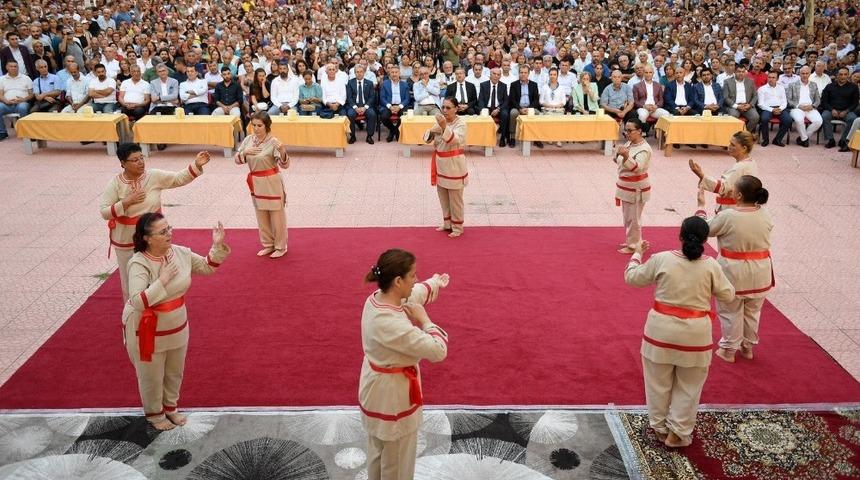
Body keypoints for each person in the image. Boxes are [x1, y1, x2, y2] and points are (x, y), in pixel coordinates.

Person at [624, 217, 735, 448]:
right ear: (705, 240)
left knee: (657, 383)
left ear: (680, 236)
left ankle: (659, 427)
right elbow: (728, 295)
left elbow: (632, 278)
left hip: (659, 334)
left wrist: (636, 254)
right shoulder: (711, 265)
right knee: (689, 387)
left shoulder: (662, 259)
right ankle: (678, 432)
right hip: (696, 336)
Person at [123, 212, 229, 431]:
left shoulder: (180, 253)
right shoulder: (138, 263)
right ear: (147, 238)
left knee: (174, 370)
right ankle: (155, 414)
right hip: (147, 329)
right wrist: (162, 280)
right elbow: (137, 301)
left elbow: (207, 266)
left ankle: (170, 407)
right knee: (151, 375)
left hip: (177, 324)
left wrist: (217, 246)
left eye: (169, 228)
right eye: (163, 232)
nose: (169, 234)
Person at [359, 248, 449, 480]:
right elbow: (438, 350)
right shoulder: (391, 324)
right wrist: (425, 321)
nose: (416, 279)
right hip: (394, 399)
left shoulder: (376, 299)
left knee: (378, 454)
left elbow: (414, 294)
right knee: (398, 464)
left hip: (375, 390)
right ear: (398, 281)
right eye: (413, 275)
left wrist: (434, 283)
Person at [99, 144, 210, 301]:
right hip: (126, 239)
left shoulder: (153, 176)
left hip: (155, 238)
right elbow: (104, 211)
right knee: (131, 280)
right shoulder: (116, 184)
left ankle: (159, 311)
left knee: (159, 273)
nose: (140, 162)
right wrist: (126, 203)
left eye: (141, 158)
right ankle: (133, 315)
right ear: (123, 163)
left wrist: (196, 165)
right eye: (135, 160)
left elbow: (178, 178)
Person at [695, 175, 773, 363]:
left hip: (734, 271)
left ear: (738, 195)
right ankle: (747, 348)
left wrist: (700, 208)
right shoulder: (765, 213)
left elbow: (704, 230)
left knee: (730, 311)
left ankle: (729, 350)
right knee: (753, 312)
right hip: (761, 271)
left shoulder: (728, 216)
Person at [235, 112, 290, 258]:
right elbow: (238, 160)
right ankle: (268, 244)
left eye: (260, 125)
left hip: (271, 181)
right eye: (254, 125)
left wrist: (283, 151)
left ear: (267, 126)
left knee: (276, 215)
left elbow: (285, 165)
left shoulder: (273, 142)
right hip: (256, 181)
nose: (256, 128)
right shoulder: (248, 140)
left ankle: (280, 246)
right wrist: (245, 152)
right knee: (261, 214)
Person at [425, 97, 467, 238]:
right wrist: (433, 130)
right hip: (440, 164)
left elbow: (454, 140)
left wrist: (443, 127)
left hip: (454, 165)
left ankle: (457, 227)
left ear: (456, 109)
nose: (445, 110)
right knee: (443, 196)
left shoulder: (461, 123)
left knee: (455, 199)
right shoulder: (440, 122)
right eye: (443, 107)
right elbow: (426, 139)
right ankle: (447, 223)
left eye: (448, 108)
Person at [688, 130, 759, 214]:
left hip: (732, 210)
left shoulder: (740, 167)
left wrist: (701, 175)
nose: (729, 146)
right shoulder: (751, 162)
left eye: (733, 145)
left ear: (744, 148)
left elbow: (723, 188)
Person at [614, 119, 652, 254]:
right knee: (628, 217)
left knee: (634, 218)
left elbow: (637, 167)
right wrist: (618, 154)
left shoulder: (645, 149)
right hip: (626, 186)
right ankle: (632, 240)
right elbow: (620, 161)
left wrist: (625, 156)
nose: (627, 133)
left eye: (630, 130)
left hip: (636, 188)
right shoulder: (630, 143)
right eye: (626, 130)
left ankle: (634, 245)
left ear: (640, 131)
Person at [786, 66, 823, 147]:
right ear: (799, 74)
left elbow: (818, 100)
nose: (805, 75)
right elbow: (788, 100)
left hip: (810, 108)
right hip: (797, 108)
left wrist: (812, 106)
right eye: (803, 73)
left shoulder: (813, 85)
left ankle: (803, 138)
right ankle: (805, 140)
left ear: (810, 74)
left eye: (807, 73)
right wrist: (798, 106)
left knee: (818, 121)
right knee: (799, 120)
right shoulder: (792, 85)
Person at [507, 65, 541, 148]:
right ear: (519, 73)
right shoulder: (514, 84)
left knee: (537, 113)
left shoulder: (534, 85)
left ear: (528, 74)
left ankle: (536, 138)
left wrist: (529, 109)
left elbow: (536, 100)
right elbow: (512, 99)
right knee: (513, 113)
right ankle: (513, 137)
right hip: (518, 107)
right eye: (521, 72)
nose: (523, 74)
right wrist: (520, 109)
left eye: (525, 73)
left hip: (530, 107)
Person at [756, 71, 792, 147]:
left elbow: (784, 102)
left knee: (788, 120)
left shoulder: (781, 88)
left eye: (773, 77)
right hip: (767, 109)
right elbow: (760, 104)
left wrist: (780, 109)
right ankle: (765, 140)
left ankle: (777, 140)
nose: (771, 79)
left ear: (777, 79)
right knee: (764, 119)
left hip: (780, 108)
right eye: (769, 77)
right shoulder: (762, 89)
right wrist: (772, 110)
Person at [0, 59, 33, 140]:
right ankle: (2, 132)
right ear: (6, 67)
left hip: (21, 103)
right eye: (11, 66)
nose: (13, 68)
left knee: (23, 107)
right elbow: (0, 95)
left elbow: (31, 95)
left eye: (15, 66)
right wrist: (5, 101)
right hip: (7, 104)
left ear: (18, 67)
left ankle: (25, 132)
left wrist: (23, 99)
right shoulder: (2, 79)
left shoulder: (26, 78)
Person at [722, 64, 759, 134]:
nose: (741, 73)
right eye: (739, 71)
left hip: (747, 105)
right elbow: (725, 97)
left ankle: (744, 134)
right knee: (733, 116)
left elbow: (755, 96)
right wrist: (737, 106)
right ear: (734, 72)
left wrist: (750, 105)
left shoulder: (750, 81)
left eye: (743, 71)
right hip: (734, 106)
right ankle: (734, 135)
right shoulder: (727, 82)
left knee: (755, 117)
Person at [477, 68, 509, 147]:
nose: (496, 76)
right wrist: (482, 110)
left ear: (500, 76)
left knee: (505, 114)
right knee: (480, 113)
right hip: (487, 108)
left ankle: (502, 137)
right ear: (490, 75)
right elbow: (480, 99)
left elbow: (506, 101)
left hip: (498, 108)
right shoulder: (483, 85)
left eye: (498, 74)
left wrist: (498, 109)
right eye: (494, 74)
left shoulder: (503, 86)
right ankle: (483, 138)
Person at [346, 64, 377, 144]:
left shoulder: (369, 83)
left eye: (361, 72)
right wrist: (356, 108)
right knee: (350, 114)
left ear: (364, 73)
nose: (359, 73)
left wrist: (365, 107)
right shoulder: (350, 83)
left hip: (366, 106)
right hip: (354, 106)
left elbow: (372, 97)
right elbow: (349, 97)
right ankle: (352, 136)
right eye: (357, 72)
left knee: (372, 114)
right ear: (354, 73)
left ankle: (369, 136)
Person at [379, 66, 411, 142]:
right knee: (383, 117)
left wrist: (399, 106)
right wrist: (390, 107)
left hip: (401, 105)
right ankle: (394, 130)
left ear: (399, 73)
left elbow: (407, 98)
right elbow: (382, 98)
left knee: (404, 116)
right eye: (392, 72)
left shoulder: (405, 84)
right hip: (389, 105)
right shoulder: (385, 84)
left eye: (396, 72)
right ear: (389, 73)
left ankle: (393, 132)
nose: (394, 74)